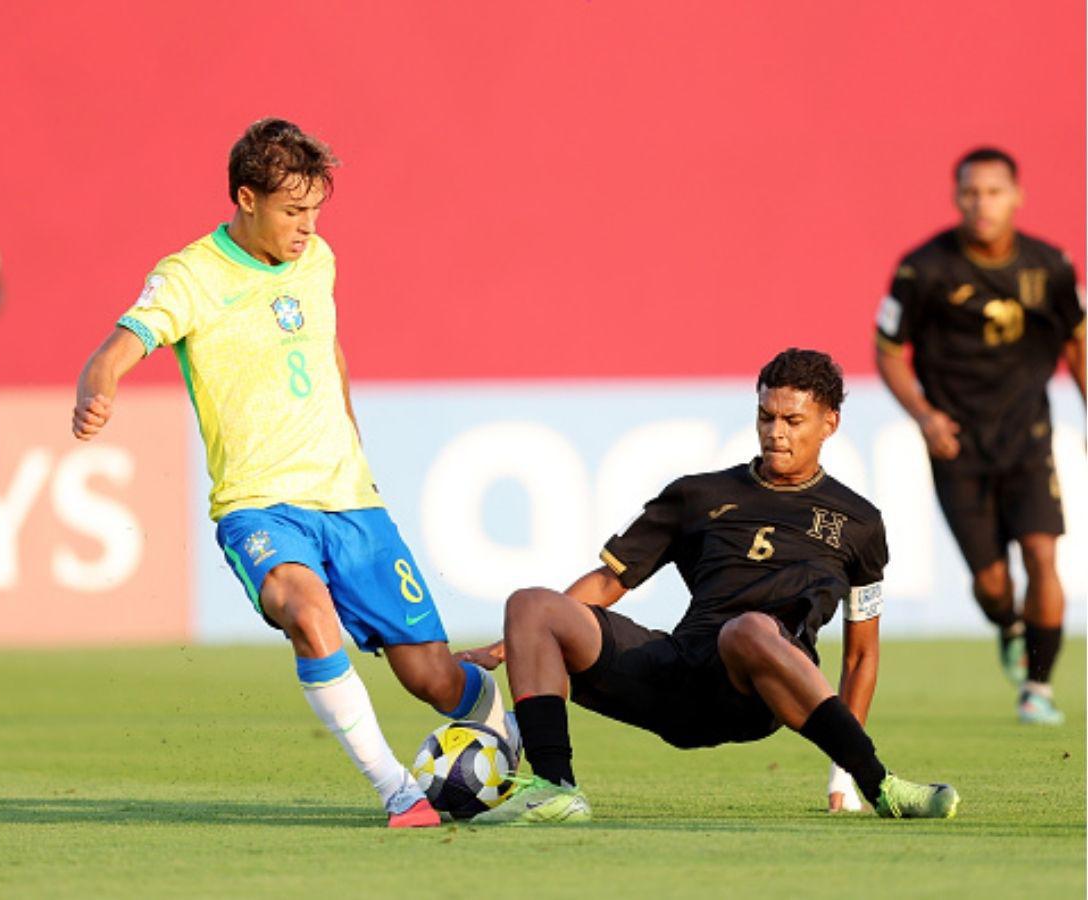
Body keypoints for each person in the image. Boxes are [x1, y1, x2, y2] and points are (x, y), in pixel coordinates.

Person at [72, 118, 510, 828]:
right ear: (246, 198)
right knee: (310, 616)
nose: (307, 228)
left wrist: (354, 442)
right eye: (291, 211)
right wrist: (100, 388)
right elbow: (120, 345)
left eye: (315, 211)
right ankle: (399, 791)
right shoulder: (191, 276)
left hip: (351, 501)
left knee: (429, 675)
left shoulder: (318, 261)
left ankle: (503, 729)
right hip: (260, 507)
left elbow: (328, 353)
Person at [463, 349, 959, 825]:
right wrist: (512, 646)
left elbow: (860, 657)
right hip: (678, 674)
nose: (775, 433)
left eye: (792, 421)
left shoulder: (860, 523)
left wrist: (843, 775)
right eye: (766, 416)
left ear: (829, 423)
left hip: (759, 689)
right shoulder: (699, 495)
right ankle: (555, 788)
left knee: (747, 631)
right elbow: (611, 581)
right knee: (529, 604)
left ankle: (882, 785)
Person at [875, 147, 1085, 725]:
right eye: (971, 192)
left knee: (1043, 554)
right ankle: (1009, 624)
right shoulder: (924, 269)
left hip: (1027, 436)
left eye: (994, 192)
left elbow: (1078, 342)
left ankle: (1038, 688)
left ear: (1016, 196)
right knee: (993, 584)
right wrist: (924, 416)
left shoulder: (1052, 267)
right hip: (956, 443)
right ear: (956, 197)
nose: (982, 204)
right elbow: (888, 352)